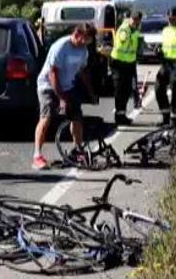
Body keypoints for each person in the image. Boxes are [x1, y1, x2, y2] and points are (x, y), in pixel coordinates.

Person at [33, 24, 97, 170]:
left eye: (89, 41)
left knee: (77, 117)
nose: (86, 43)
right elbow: (53, 74)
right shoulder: (61, 47)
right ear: (77, 34)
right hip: (48, 86)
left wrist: (91, 92)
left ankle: (78, 150)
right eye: (85, 39)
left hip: (68, 86)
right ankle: (37, 156)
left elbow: (83, 72)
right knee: (46, 117)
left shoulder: (83, 50)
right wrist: (61, 98)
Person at [110, 11, 143, 126]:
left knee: (127, 90)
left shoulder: (135, 31)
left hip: (129, 63)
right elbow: (122, 43)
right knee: (120, 90)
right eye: (134, 20)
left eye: (137, 20)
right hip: (119, 63)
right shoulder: (125, 29)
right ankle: (119, 116)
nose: (135, 22)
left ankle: (122, 115)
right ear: (130, 19)